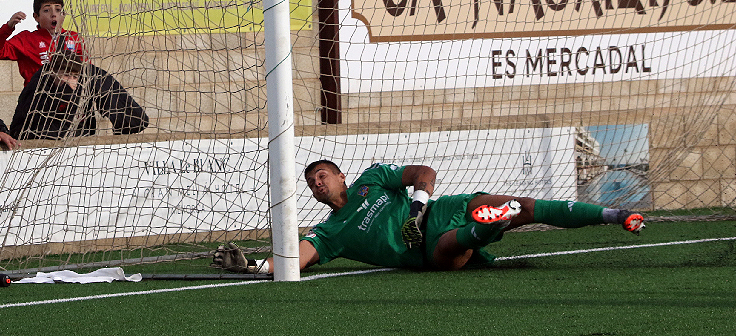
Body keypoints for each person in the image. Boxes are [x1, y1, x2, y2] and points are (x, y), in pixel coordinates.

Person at [214, 160, 645, 275]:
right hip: (427, 252)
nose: (317, 185)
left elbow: (424, 174)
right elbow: (298, 258)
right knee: (450, 246)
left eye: (322, 176)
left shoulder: (373, 180)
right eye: (311, 184)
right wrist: (253, 266)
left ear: (340, 175)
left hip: (440, 209)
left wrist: (417, 209)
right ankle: (485, 227)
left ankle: (613, 213)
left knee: (526, 206)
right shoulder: (331, 233)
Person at [10, 49, 149, 139]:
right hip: (45, 144)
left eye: (74, 77)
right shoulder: (38, 88)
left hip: (81, 140)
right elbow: (22, 127)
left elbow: (136, 119)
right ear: (53, 73)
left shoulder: (90, 79)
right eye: (66, 75)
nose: (71, 81)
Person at [0, 0, 84, 87]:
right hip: (37, 99)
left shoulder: (74, 38)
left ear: (63, 15)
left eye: (58, 10)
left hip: (67, 99)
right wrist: (8, 27)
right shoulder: (26, 39)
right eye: (47, 10)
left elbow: (84, 69)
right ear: (36, 16)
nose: (53, 14)